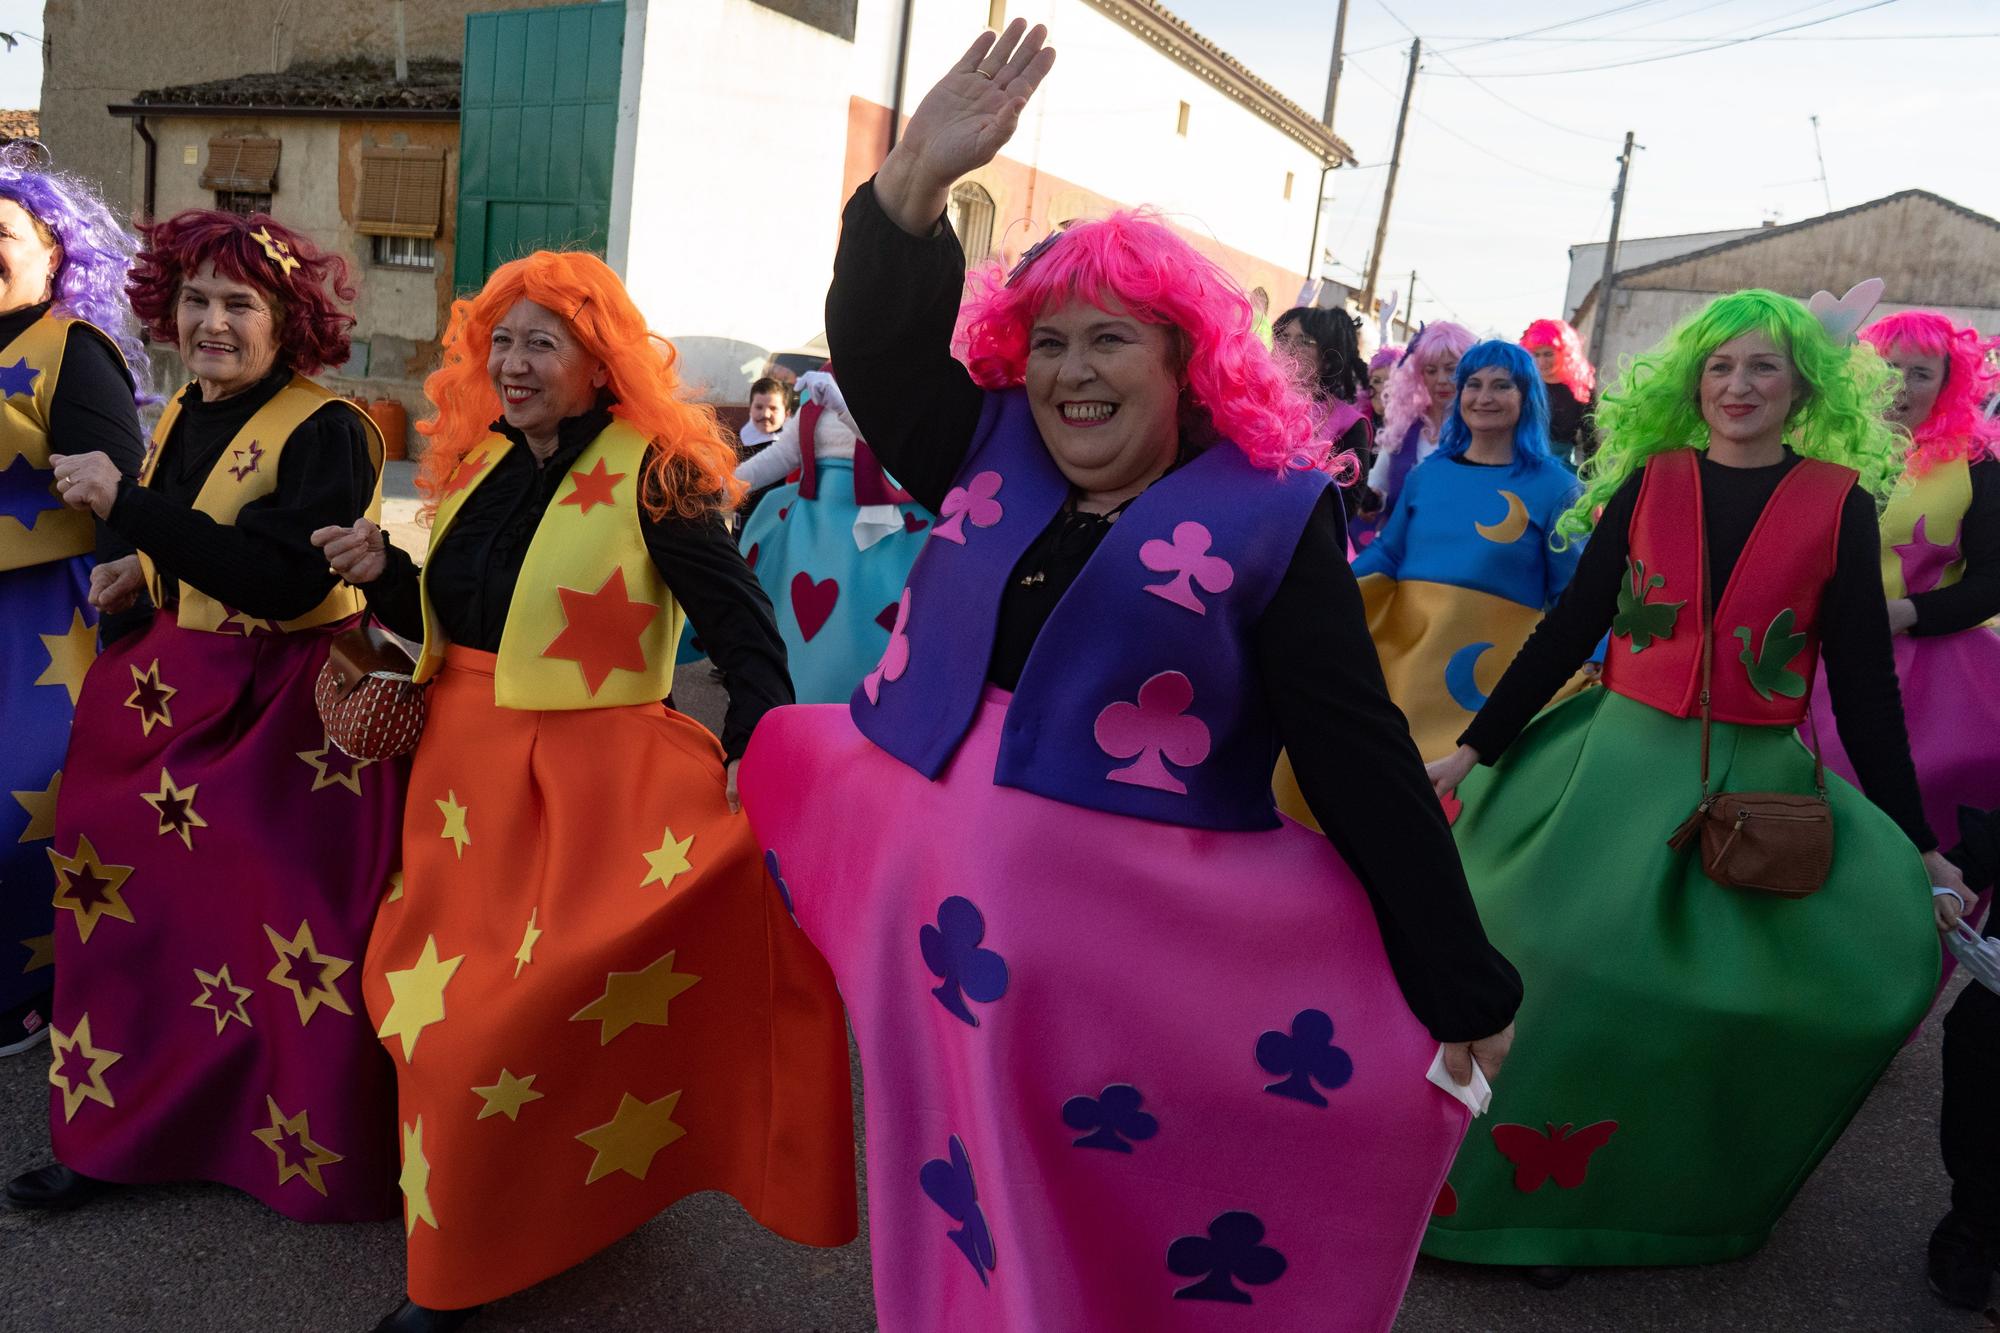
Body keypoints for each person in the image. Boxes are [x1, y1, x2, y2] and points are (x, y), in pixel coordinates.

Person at [739, 21, 1518, 1332]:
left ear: (1183, 365)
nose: (1070, 370)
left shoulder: (1274, 511)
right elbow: (875, 354)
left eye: (1108, 342)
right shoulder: (988, 448)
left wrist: (1463, 985)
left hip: (1126, 972)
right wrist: (912, 184)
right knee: (965, 1206)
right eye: (1046, 341)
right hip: (951, 952)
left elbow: (1354, 748)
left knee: (1102, 1222)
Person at [314, 250, 855, 1332]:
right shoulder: (473, 468)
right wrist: (385, 573)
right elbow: (464, 616)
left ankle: (456, 1273)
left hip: (593, 792)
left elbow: (743, 626)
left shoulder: (656, 469)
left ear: (598, 360)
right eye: (499, 341)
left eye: (540, 342)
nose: (511, 365)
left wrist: (761, 742)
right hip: (461, 789)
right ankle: (490, 1211)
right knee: (429, 1011)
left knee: (495, 1030)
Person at [1424, 289, 1967, 1277]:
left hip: (1748, 788)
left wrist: (1917, 840)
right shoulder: (1649, 482)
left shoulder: (1838, 501)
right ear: (1692, 381)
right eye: (1717, 366)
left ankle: (1617, 1207)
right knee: (1538, 959)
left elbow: (1859, 681)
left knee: (1697, 1000)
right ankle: (1498, 1199)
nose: (1736, 385)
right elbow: (1566, 627)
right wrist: (1473, 748)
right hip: (1608, 765)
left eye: (1760, 366)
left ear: (1803, 383)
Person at [9, 211, 403, 1223]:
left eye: (240, 304)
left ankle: (290, 1142)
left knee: (289, 918)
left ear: (289, 320)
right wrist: (135, 573)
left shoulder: (333, 429)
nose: (212, 323)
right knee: (123, 902)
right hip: (174, 688)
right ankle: (117, 1134)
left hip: (285, 714)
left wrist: (127, 513)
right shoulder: (186, 406)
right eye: (195, 301)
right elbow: (199, 535)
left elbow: (275, 579)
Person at [0, 145, 148, 1057]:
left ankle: (27, 994)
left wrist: (129, 628)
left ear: (56, 252)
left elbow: (121, 495)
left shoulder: (72, 350)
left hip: (41, 620)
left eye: (2, 232)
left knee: (21, 807)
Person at [1806, 310, 2000, 956]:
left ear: (1948, 382)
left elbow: (1993, 581)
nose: (1900, 384)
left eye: (1921, 372)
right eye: (1888, 367)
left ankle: (1889, 971)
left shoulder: (1978, 463)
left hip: (1937, 673)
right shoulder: (1819, 444)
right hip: (1814, 659)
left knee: (1916, 814)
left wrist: (1905, 612)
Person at [1326, 340, 1583, 766]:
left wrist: (1592, 658)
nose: (1485, 397)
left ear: (1527, 397)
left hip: (1490, 679)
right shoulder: (1429, 475)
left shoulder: (1556, 488)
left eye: (1502, 386)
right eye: (1474, 384)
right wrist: (1327, 588)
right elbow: (1388, 556)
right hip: (1411, 660)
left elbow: (1573, 593)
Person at [725, 366, 932, 703]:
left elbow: (899, 448)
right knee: (798, 640)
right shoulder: (818, 385)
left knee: (854, 641)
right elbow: (782, 455)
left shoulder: (901, 382)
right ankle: (795, 715)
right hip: (811, 532)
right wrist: (724, 487)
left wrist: (844, 407)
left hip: (872, 533)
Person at [1367, 321, 1476, 519]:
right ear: (1419, 375)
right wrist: (1372, 499)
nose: (1441, 379)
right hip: (1396, 544)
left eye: (1451, 369)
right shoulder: (1405, 426)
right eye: (1431, 370)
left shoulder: (1478, 429)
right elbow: (1378, 485)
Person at [1520, 318, 1595, 468]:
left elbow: (1590, 436)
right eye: (1536, 355)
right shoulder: (1522, 385)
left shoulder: (1581, 388)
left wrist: (1590, 472)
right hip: (1521, 462)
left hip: (1561, 465)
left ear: (1565, 353)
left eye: (1548, 354)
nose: (1541, 361)